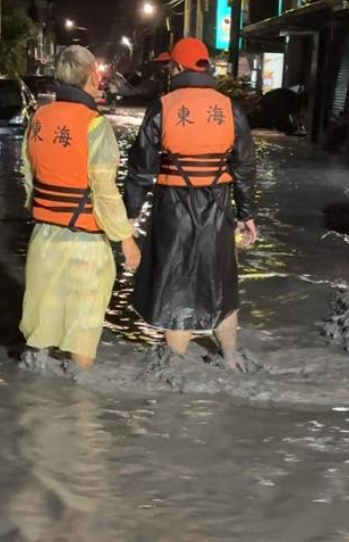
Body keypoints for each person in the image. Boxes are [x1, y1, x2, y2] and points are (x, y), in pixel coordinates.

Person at [124, 36, 258, 368]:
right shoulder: (230, 108)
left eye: (171, 65)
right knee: (222, 284)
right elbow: (245, 166)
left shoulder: (163, 107)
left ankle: (177, 366)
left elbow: (141, 169)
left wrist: (128, 215)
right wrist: (247, 214)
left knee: (175, 286)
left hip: (174, 208)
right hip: (218, 206)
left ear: (179, 67)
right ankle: (229, 359)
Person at [18, 45, 141, 369]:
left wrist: (41, 211)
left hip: (44, 239)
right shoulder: (95, 126)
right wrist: (125, 237)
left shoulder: (39, 118)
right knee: (83, 327)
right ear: (91, 77)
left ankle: (34, 399)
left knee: (42, 320)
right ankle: (80, 402)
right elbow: (104, 189)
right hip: (84, 243)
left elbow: (29, 174)